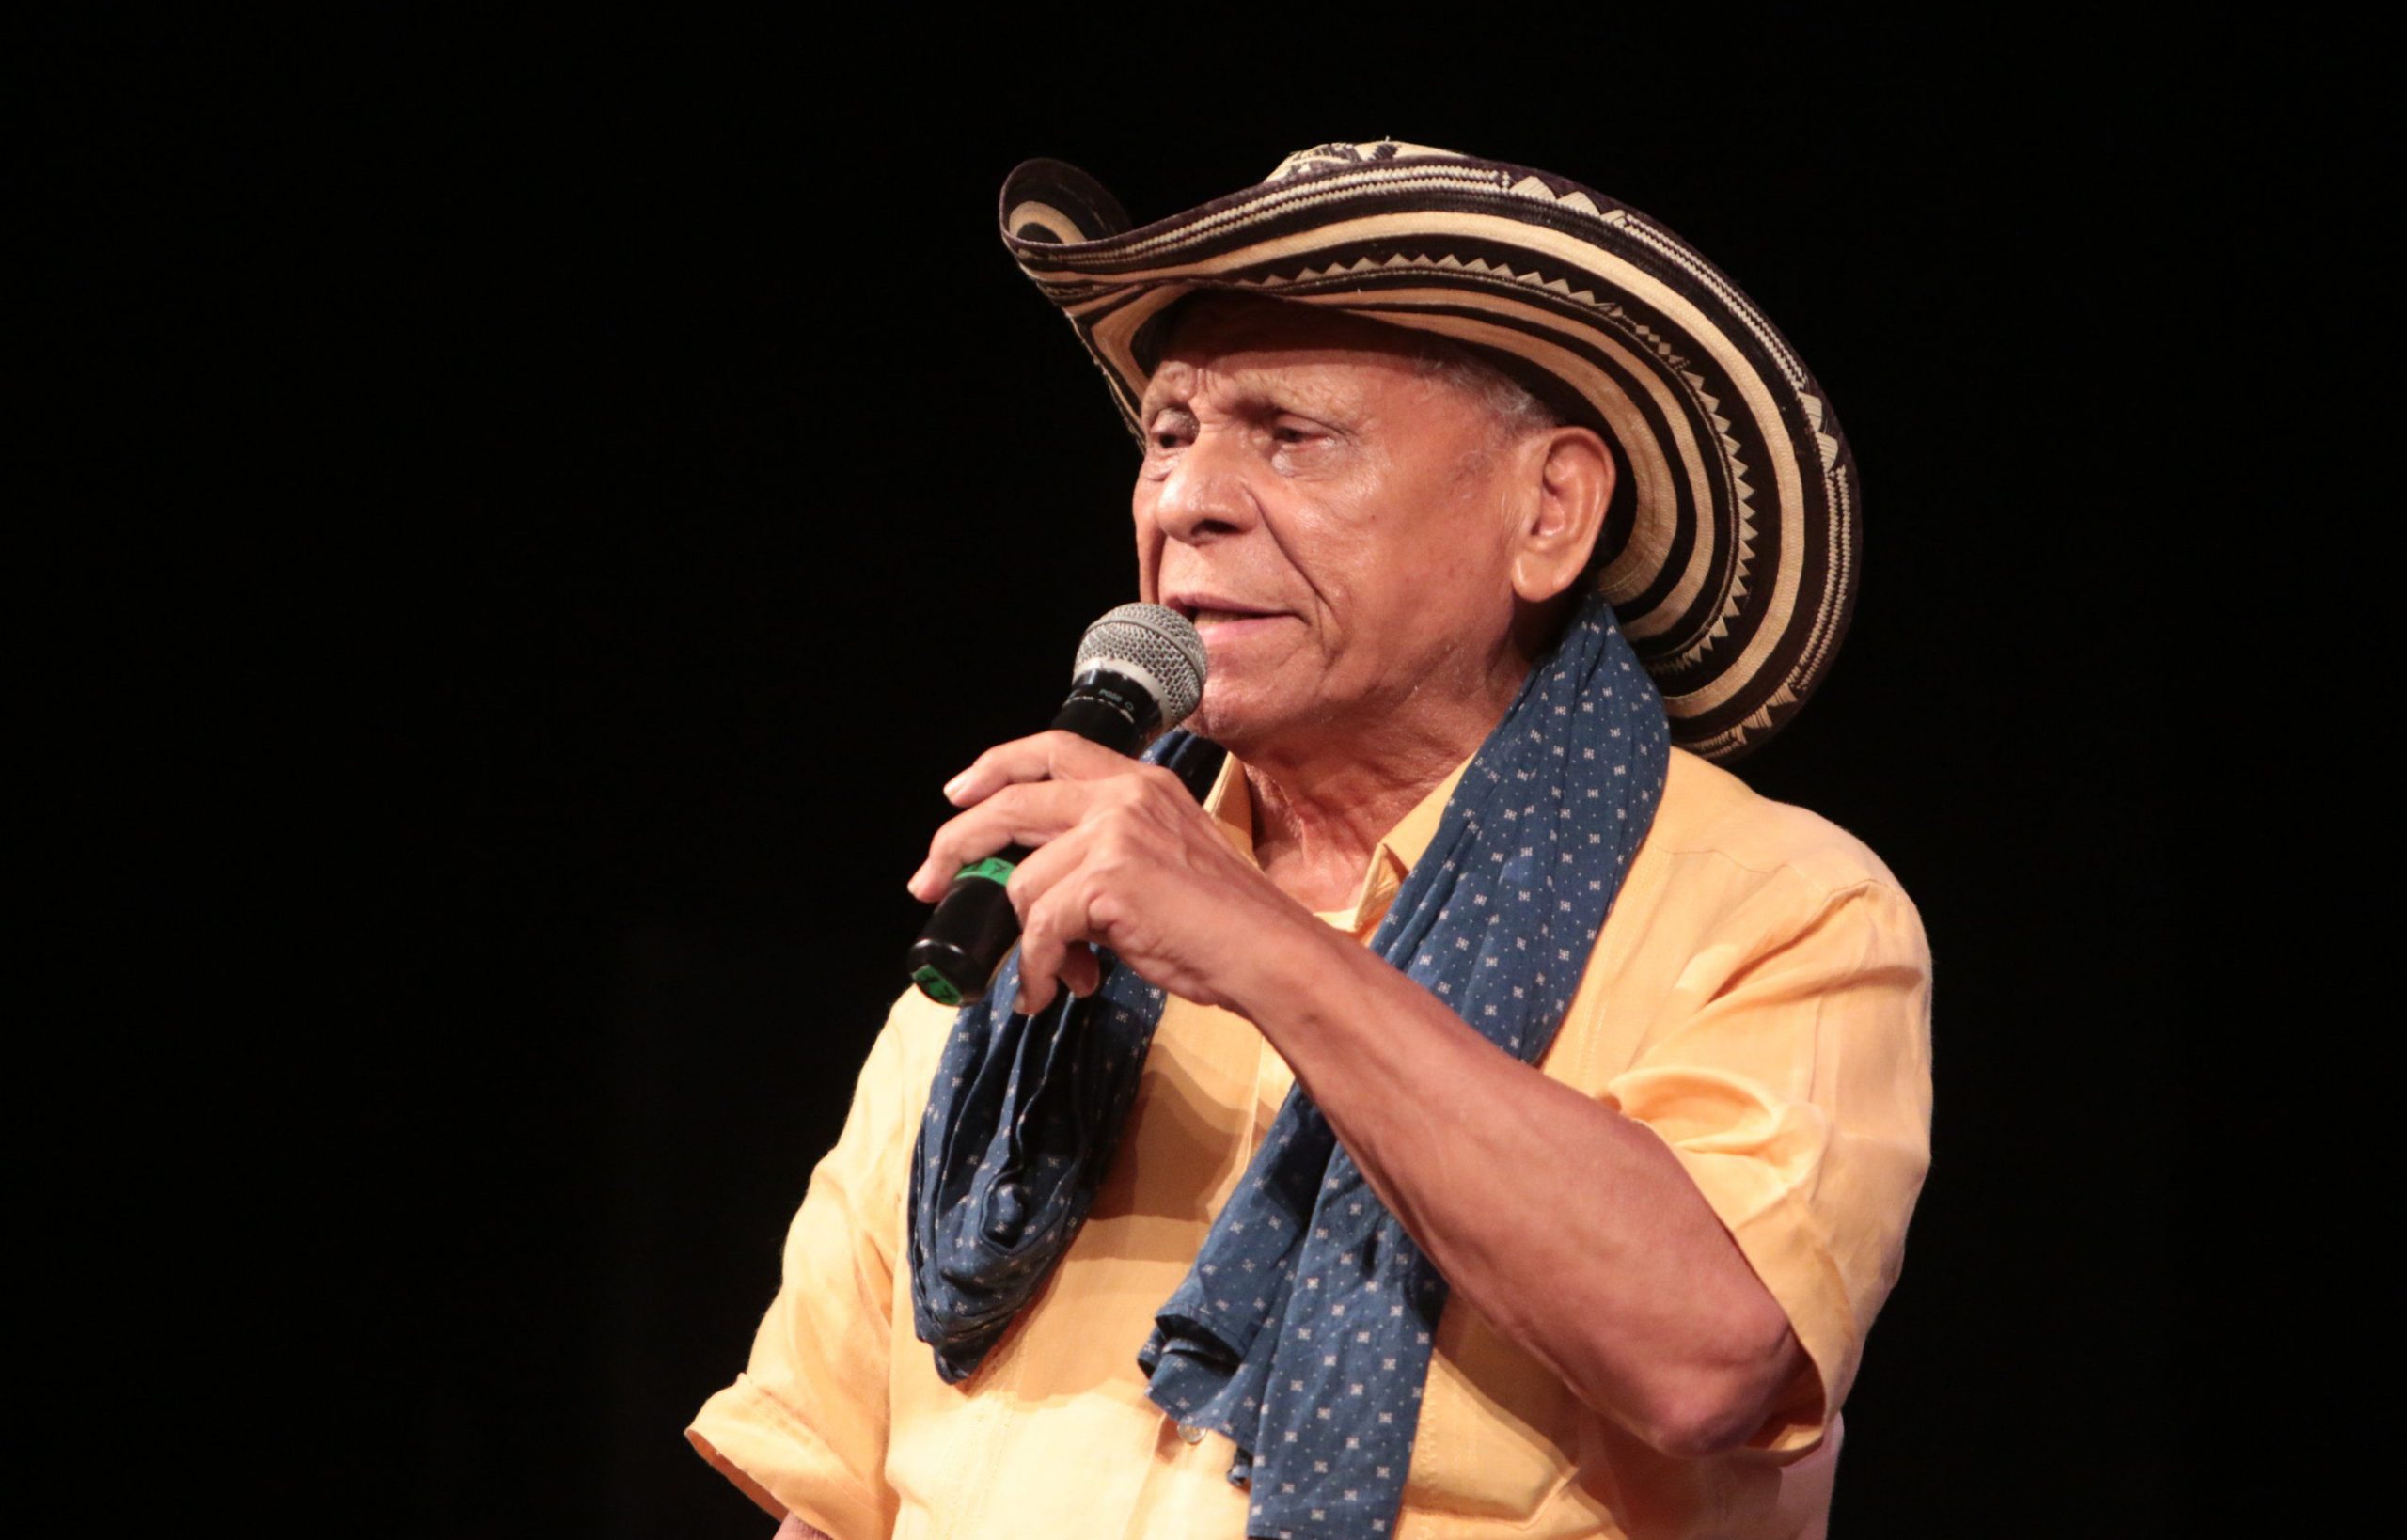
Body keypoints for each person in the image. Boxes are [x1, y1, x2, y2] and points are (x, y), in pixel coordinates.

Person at [688, 141, 1932, 1540]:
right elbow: (839, 1492)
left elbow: (1708, 1358)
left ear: (1549, 512)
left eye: (1291, 435)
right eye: (1170, 433)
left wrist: (1255, 943)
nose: (1186, 500)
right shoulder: (1037, 889)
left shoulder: (1776, 903)